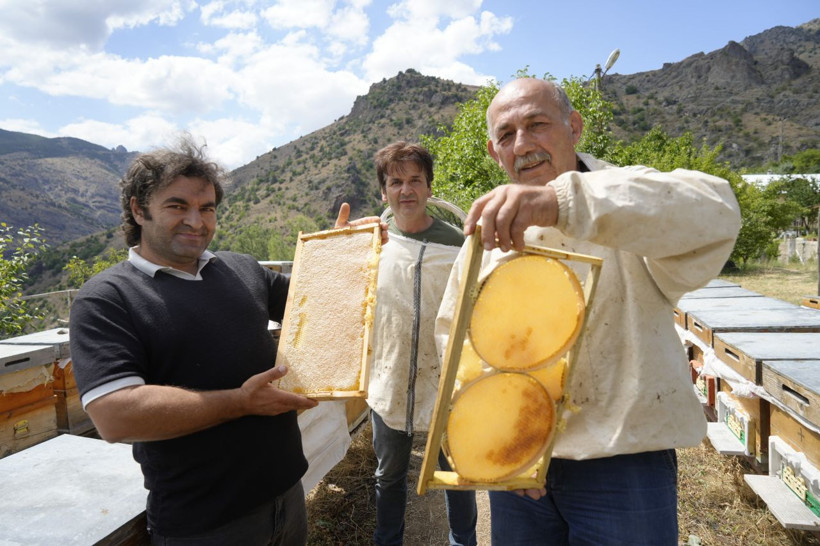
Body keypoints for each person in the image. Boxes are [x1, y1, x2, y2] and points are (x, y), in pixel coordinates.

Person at [435, 78, 741, 545]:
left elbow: (718, 212)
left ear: (573, 127)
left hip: (622, 466)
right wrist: (495, 448)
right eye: (506, 134)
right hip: (518, 468)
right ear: (495, 152)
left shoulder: (626, 193)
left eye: (537, 125)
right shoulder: (486, 234)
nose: (523, 144)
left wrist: (559, 202)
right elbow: (455, 343)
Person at [68, 136, 385, 545]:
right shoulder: (107, 297)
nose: (196, 221)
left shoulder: (240, 268)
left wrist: (346, 252)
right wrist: (240, 401)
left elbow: (320, 304)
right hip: (205, 524)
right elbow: (115, 415)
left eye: (207, 208)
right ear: (138, 209)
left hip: (288, 495)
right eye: (177, 206)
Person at [367, 141, 477, 546]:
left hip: (448, 380)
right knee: (389, 475)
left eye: (416, 180)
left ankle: (464, 541)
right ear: (384, 192)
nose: (406, 190)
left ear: (430, 188)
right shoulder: (371, 243)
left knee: (457, 472)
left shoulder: (460, 244)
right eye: (396, 181)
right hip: (389, 378)